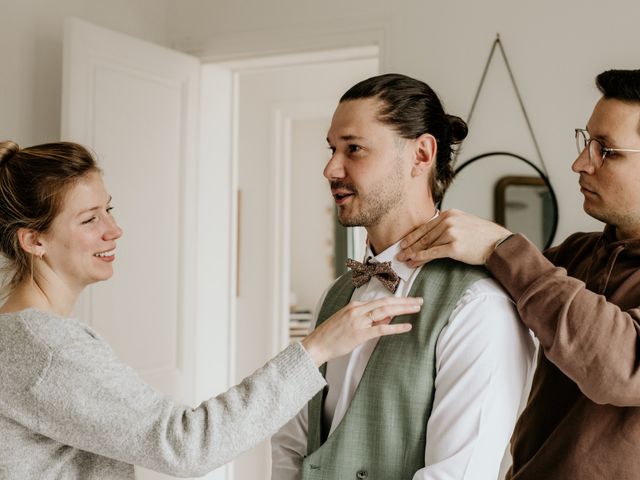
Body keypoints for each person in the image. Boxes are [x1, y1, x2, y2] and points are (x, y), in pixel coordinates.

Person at [0, 140, 423, 479]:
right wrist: (313, 350)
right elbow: (187, 445)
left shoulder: (23, 336)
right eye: (90, 219)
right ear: (33, 241)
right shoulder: (47, 349)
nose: (115, 229)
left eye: (108, 209)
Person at [271, 73, 535, 480]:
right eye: (332, 149)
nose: (330, 168)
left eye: (354, 149)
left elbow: (457, 475)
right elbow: (294, 441)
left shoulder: (479, 304)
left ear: (421, 154)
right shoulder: (336, 294)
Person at [398, 68, 640, 479]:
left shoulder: (544, 267)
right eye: (586, 142)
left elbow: (621, 367)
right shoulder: (574, 256)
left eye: (606, 150)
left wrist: (501, 247)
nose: (580, 162)